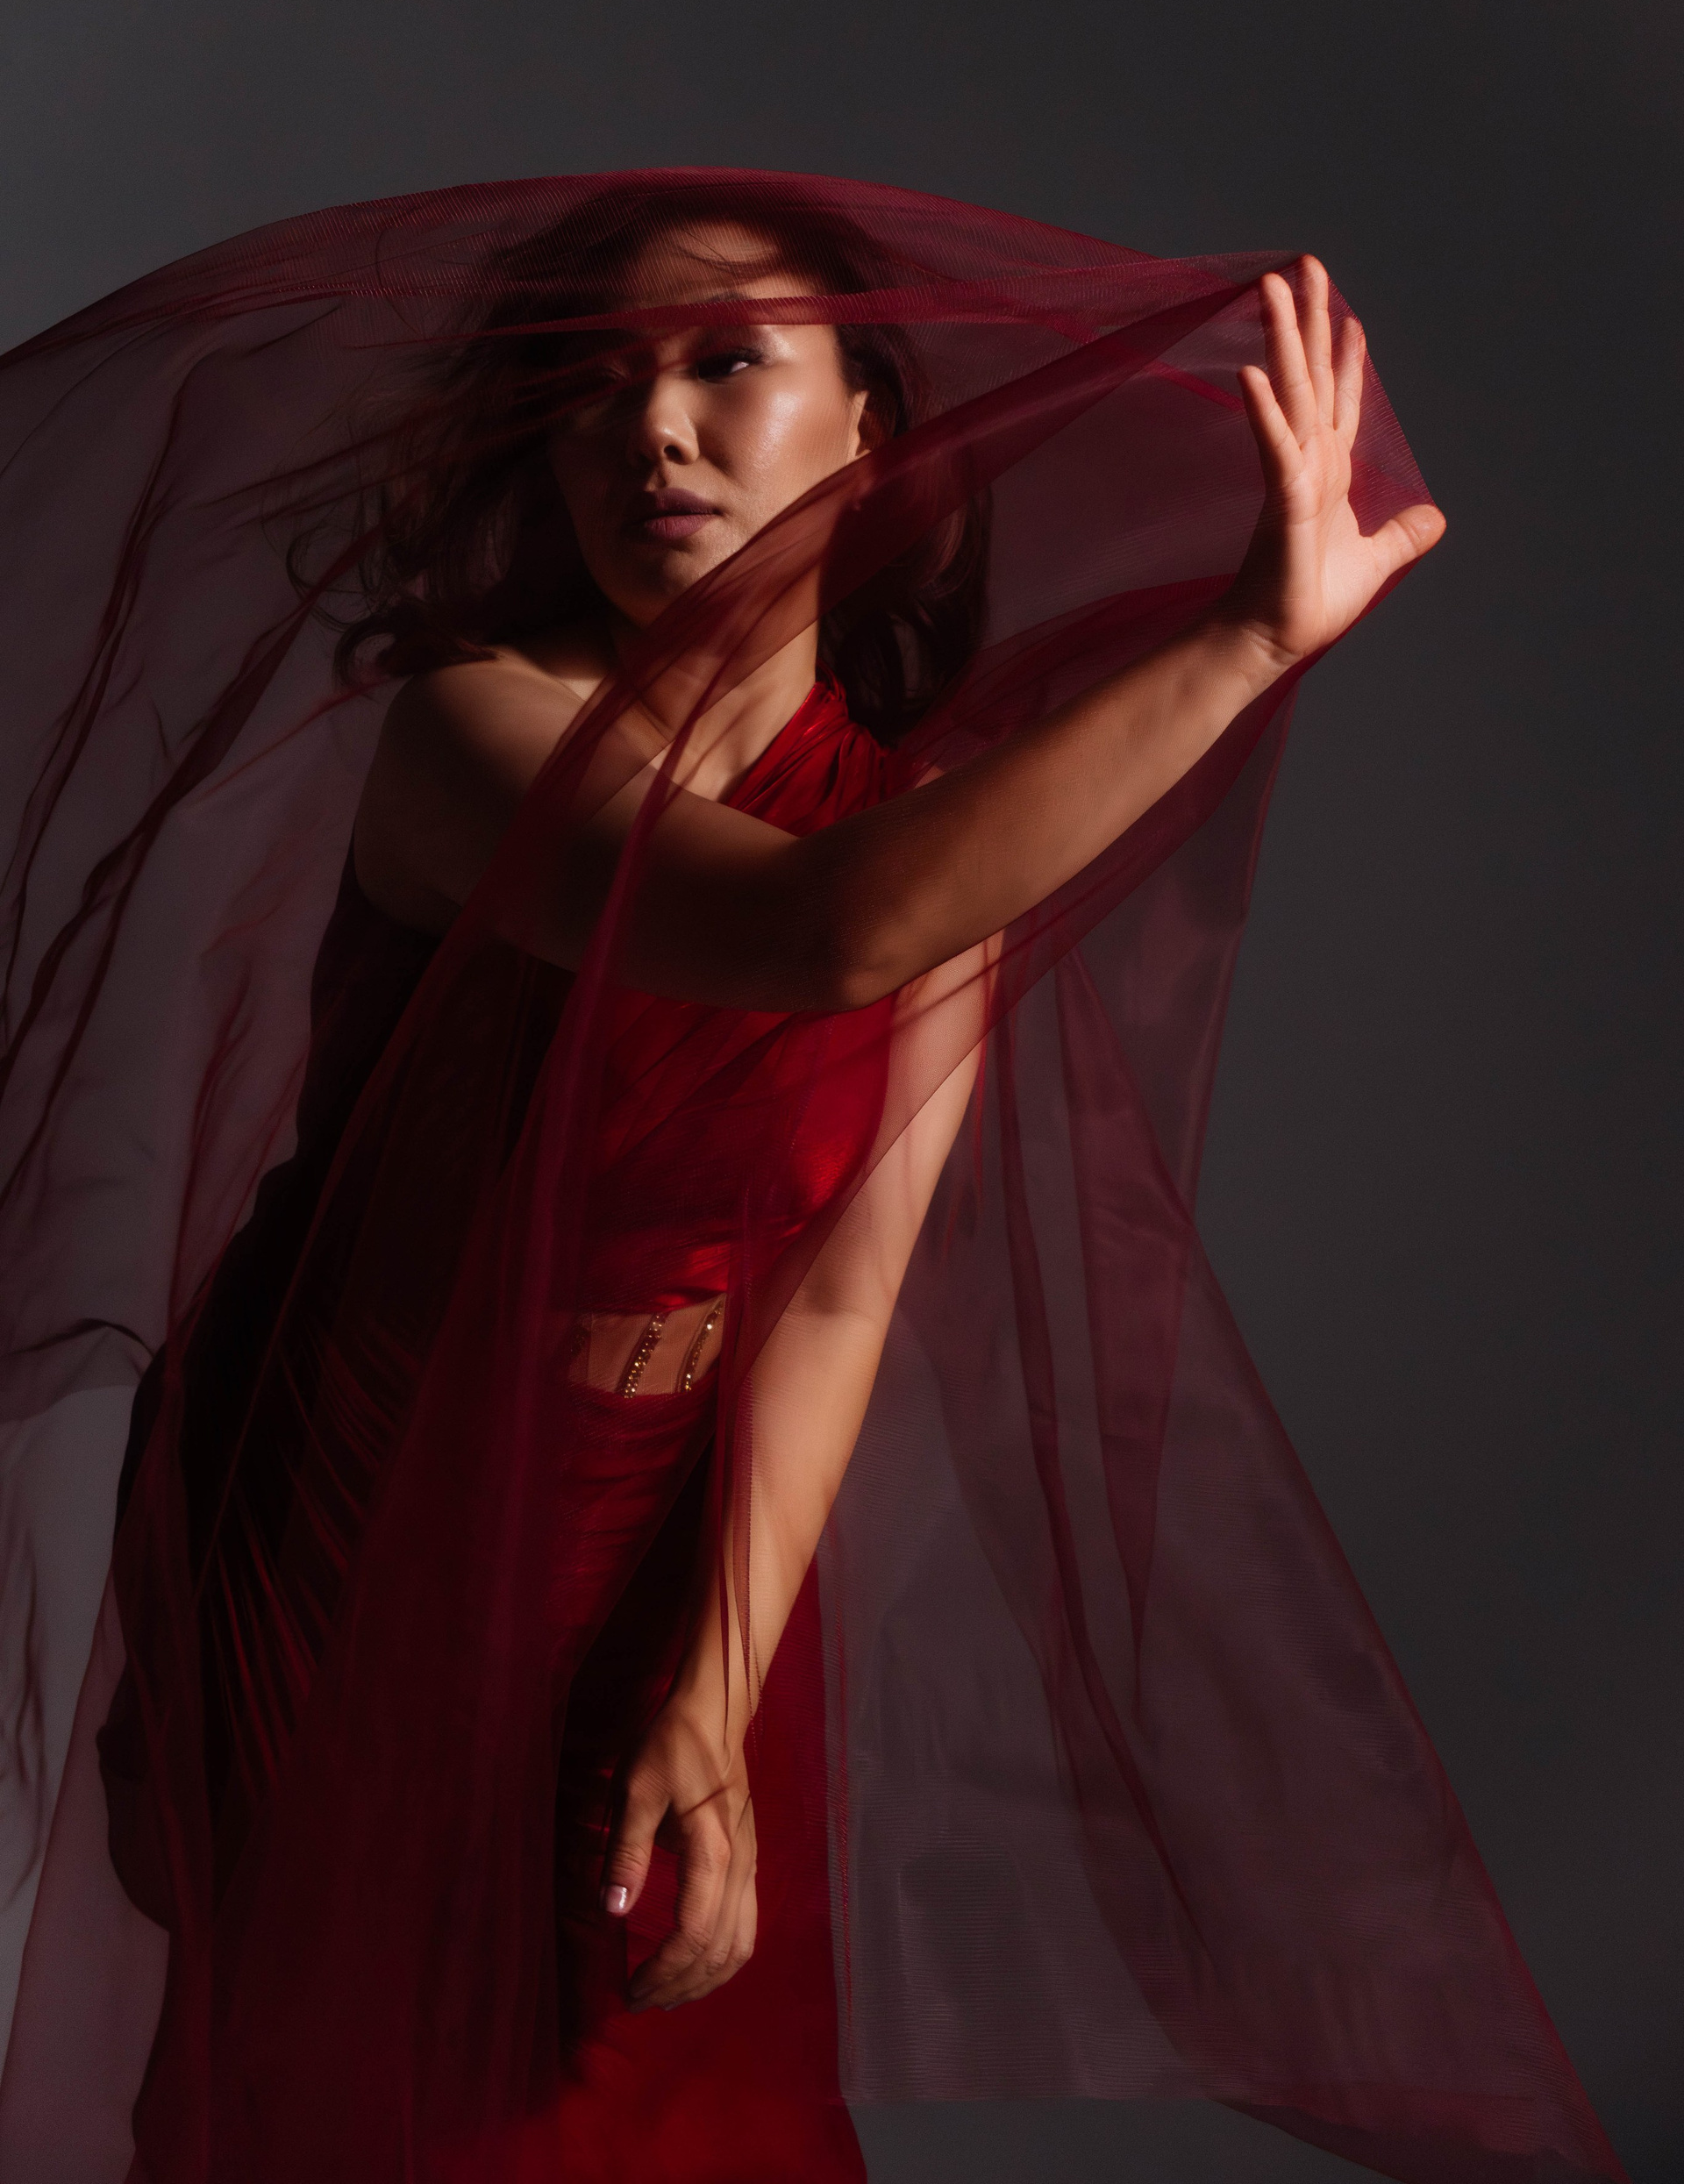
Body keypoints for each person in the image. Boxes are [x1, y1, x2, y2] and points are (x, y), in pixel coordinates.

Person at [0, 173, 1623, 2184]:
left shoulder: (929, 823)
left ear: (872, 425)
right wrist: (1242, 645)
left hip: (669, 1528)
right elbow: (819, 932)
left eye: (725, 366)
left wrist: (714, 1676)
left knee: (671, 2096)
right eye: (595, 390)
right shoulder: (478, 730)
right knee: (379, 2104)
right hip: (359, 1497)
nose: (652, 431)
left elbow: (837, 1286)